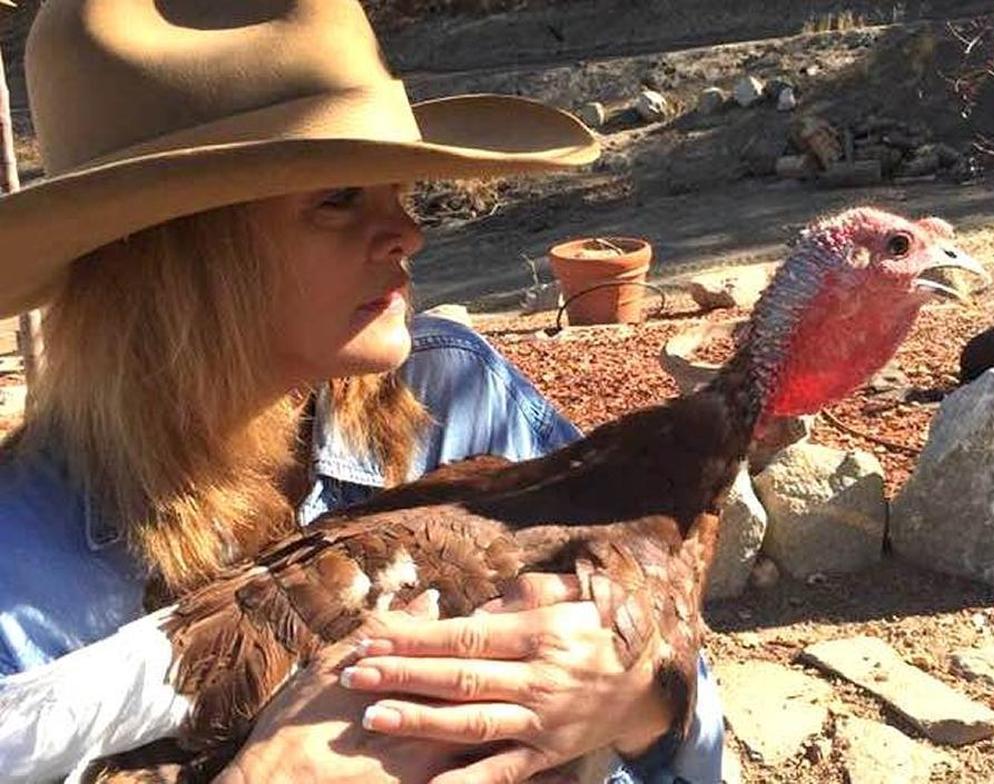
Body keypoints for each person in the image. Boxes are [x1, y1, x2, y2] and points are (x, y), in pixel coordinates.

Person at [0, 1, 723, 782]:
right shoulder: (24, 573)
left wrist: (643, 709)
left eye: (399, 189)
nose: (409, 233)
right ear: (177, 254)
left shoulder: (458, 400)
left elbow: (689, 734)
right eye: (339, 196)